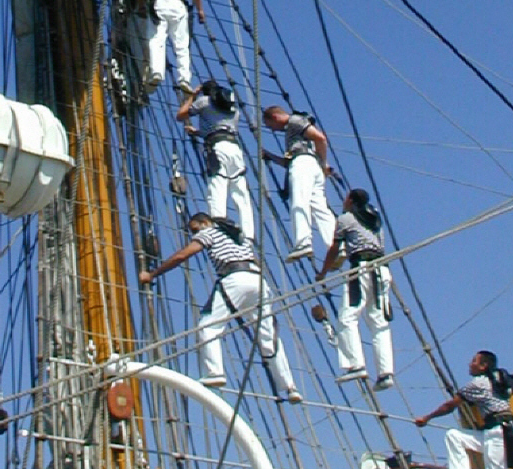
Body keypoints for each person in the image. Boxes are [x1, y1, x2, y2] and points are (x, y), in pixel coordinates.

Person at [139, 213, 301, 403]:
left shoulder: (209, 232)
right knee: (268, 338)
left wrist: (153, 274)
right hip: (258, 280)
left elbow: (182, 255)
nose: (194, 234)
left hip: (234, 278)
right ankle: (290, 387)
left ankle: (214, 371)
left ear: (205, 222)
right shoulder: (237, 236)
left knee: (209, 325)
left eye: (195, 229)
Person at [316, 188, 393, 389]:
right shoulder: (376, 221)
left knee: (347, 317)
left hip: (362, 269)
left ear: (350, 200)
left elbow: (335, 248)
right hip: (382, 270)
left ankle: (354, 364)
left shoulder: (346, 219)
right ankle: (385, 373)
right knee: (379, 323)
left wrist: (323, 272)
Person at [177, 80, 255, 239]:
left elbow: (181, 115)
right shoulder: (234, 109)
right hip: (235, 149)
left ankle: (219, 223)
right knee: (240, 190)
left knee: (217, 184)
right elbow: (219, 126)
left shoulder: (204, 101)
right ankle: (249, 233)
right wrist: (198, 132)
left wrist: (193, 95)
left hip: (217, 148)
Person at [261, 105, 337, 261]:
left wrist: (324, 164)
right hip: (311, 165)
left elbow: (320, 138)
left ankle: (303, 242)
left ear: (275, 117)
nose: (274, 130)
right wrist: (269, 155)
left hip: (304, 164)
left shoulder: (295, 121)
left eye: (271, 126)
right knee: (320, 208)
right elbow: (287, 162)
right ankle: (335, 246)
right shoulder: (295, 131)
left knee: (299, 202)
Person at [136, 0, 205, 93]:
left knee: (156, 40)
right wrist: (200, 9)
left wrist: (142, 6)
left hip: (157, 3)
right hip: (178, 4)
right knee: (182, 45)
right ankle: (184, 79)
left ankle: (156, 73)